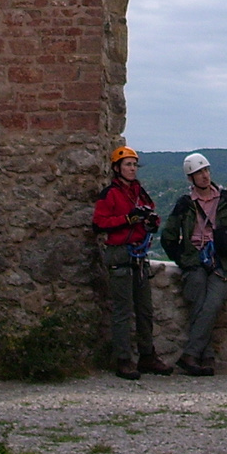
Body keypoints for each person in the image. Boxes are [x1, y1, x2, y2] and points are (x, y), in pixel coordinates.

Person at [160, 152, 227, 377]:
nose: (205, 176)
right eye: (199, 173)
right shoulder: (184, 205)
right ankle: (205, 357)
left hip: (220, 261)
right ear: (191, 178)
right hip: (195, 260)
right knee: (199, 304)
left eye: (206, 171)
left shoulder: (226, 202)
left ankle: (191, 354)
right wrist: (184, 259)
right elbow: (168, 236)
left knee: (211, 305)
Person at [92, 145, 173, 380]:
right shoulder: (111, 194)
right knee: (123, 310)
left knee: (144, 309)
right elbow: (99, 224)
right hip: (120, 253)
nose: (132, 169)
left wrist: (150, 222)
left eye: (134, 165)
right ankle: (124, 359)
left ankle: (147, 355)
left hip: (138, 256)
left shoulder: (139, 192)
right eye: (127, 165)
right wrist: (127, 219)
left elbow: (151, 214)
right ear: (117, 168)